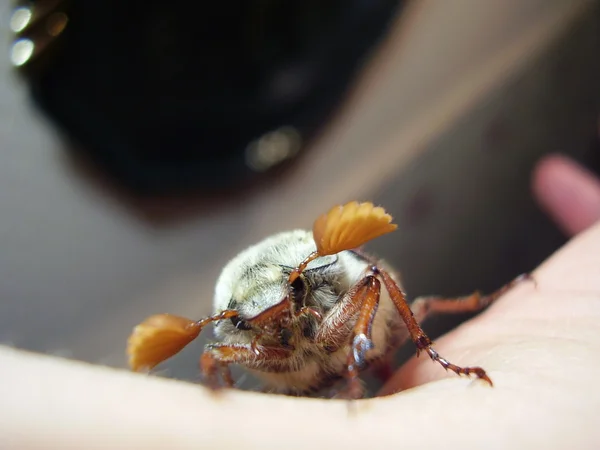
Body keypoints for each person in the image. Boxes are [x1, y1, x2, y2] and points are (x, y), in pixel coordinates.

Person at [1, 154, 599, 449]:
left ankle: (454, 319)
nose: (276, 319)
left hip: (365, 331)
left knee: (416, 297)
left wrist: (367, 339)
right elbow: (215, 356)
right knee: (221, 362)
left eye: (285, 299)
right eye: (254, 318)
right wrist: (227, 419)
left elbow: (370, 282)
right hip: (303, 385)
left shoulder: (337, 279)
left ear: (302, 284)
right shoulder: (240, 338)